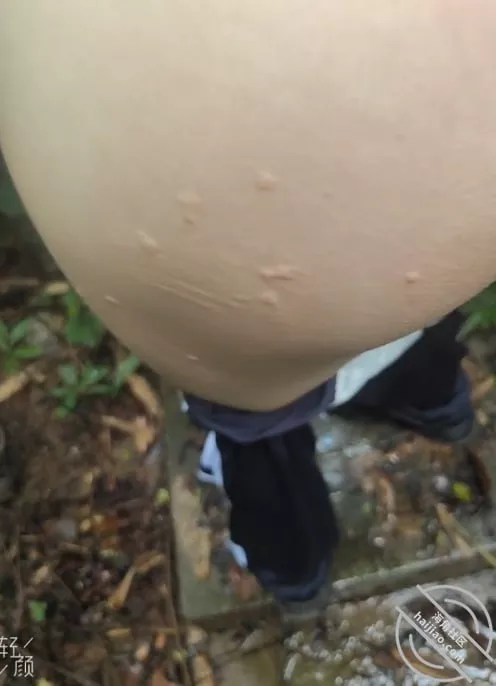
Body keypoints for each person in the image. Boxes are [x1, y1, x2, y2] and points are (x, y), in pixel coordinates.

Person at [1, 0, 496, 620]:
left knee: (260, 434)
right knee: (421, 327)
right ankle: (436, 406)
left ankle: (295, 569)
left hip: (234, 309)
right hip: (451, 212)